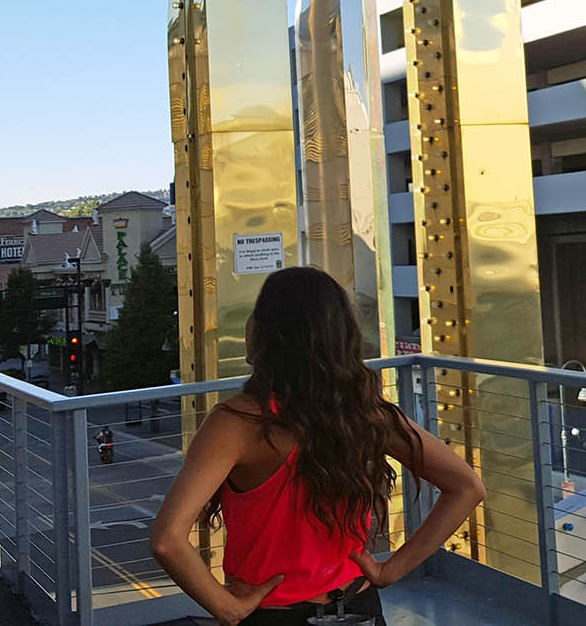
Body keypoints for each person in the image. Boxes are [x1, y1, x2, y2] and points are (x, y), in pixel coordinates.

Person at [149, 267, 485, 625]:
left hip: (275, 617)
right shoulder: (364, 413)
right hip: (358, 608)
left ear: (262, 333)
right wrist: (390, 570)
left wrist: (227, 608)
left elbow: (168, 540)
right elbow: (467, 487)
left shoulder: (237, 423)